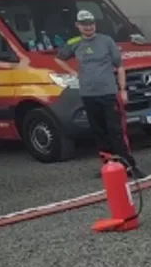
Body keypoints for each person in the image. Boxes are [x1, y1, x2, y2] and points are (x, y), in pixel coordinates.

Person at [56, 10, 145, 178]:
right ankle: (109, 167)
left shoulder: (106, 41)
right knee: (98, 132)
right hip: (88, 94)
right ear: (78, 26)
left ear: (95, 24)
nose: (88, 27)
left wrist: (122, 89)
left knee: (115, 130)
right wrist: (73, 72)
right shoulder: (74, 43)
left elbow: (119, 66)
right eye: (84, 24)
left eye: (91, 23)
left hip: (108, 93)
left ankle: (128, 166)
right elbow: (59, 58)